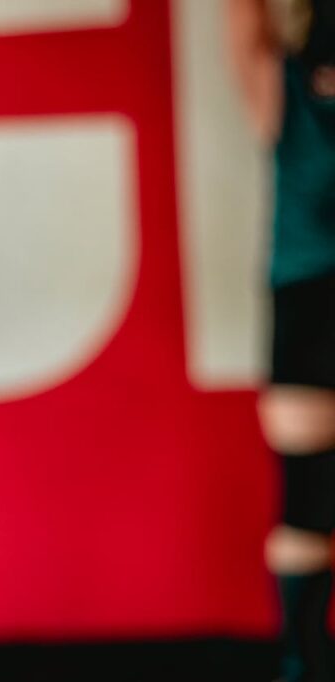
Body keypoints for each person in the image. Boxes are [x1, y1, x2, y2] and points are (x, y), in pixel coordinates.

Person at [227, 1, 335, 679]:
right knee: (309, 497)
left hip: (305, 295)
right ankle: (305, 660)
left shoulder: (283, 87)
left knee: (309, 497)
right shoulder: (283, 88)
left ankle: (305, 663)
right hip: (309, 297)